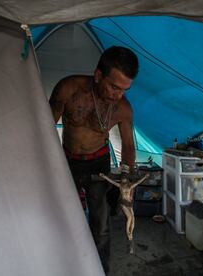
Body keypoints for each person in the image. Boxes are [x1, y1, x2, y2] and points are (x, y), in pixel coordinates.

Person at [49, 46, 139, 274]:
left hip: (99, 163)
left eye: (124, 90)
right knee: (67, 217)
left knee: (101, 225)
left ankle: (100, 270)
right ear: (98, 75)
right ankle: (68, 266)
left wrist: (127, 179)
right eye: (114, 87)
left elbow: (128, 145)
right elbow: (45, 127)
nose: (118, 95)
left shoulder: (123, 108)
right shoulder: (69, 89)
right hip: (68, 161)